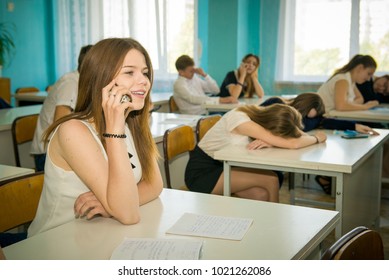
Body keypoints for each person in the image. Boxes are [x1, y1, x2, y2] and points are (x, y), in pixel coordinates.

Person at [27, 38, 163, 237]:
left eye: (144, 72)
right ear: (102, 79)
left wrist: (111, 206)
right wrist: (115, 129)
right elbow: (128, 214)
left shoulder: (131, 123)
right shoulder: (72, 131)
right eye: (129, 72)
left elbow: (154, 184)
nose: (144, 80)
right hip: (56, 245)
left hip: (101, 236)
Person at [185, 103, 327, 203]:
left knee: (262, 195)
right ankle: (274, 227)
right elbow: (294, 143)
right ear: (270, 126)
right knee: (271, 179)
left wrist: (272, 141)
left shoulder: (261, 114)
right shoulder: (241, 120)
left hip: (227, 166)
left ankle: (254, 229)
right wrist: (316, 138)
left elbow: (297, 136)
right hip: (203, 172)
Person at [261, 93, 378, 194]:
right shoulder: (276, 103)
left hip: (274, 150)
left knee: (276, 177)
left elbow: (326, 121)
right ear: (307, 105)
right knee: (275, 177)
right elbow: (253, 117)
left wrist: (355, 126)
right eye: (311, 115)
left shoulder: (311, 119)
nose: (307, 120)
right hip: (257, 147)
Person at [30, 45, 93, 171]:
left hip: (62, 148)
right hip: (48, 153)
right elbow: (60, 126)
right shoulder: (70, 84)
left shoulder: (83, 82)